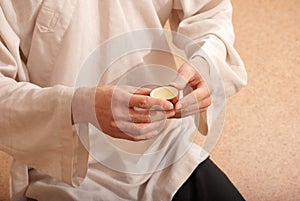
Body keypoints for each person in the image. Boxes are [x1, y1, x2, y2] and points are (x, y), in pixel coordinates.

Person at [0, 0, 247, 200]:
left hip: (163, 147)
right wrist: (81, 105)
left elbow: (209, 10)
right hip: (62, 164)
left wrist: (206, 63)